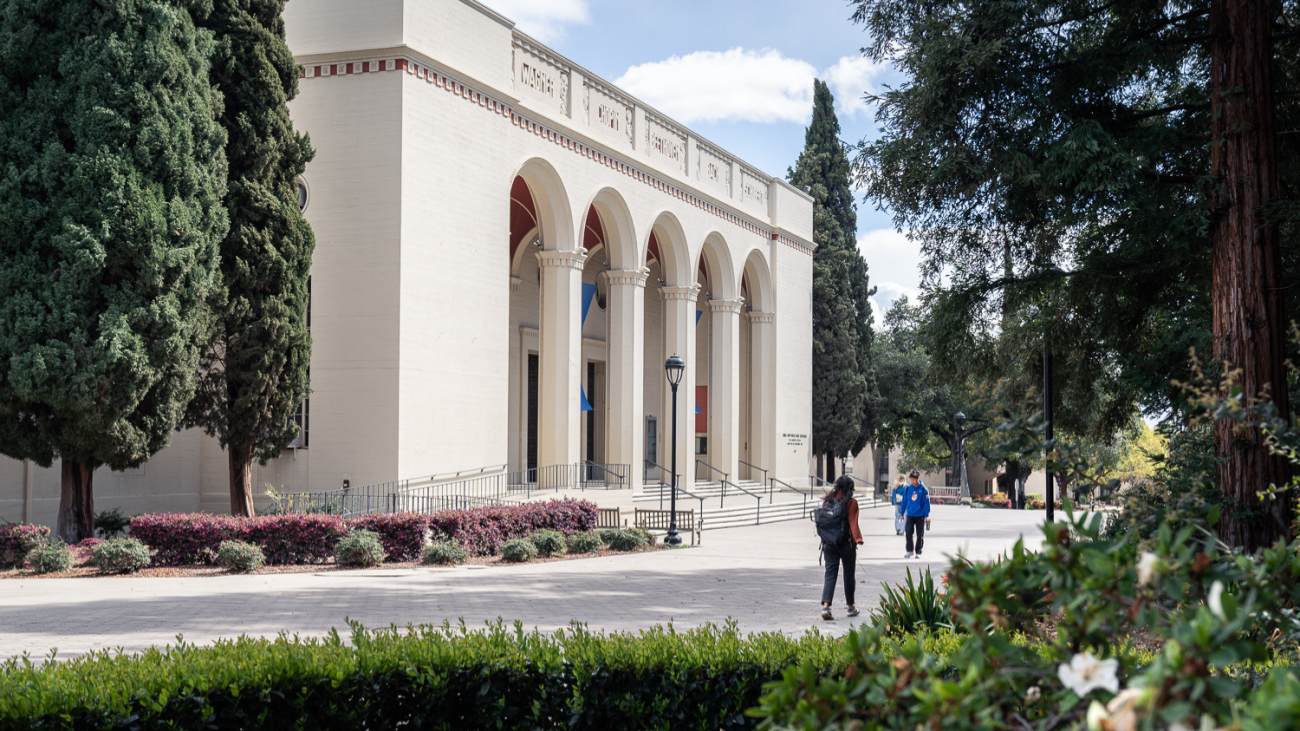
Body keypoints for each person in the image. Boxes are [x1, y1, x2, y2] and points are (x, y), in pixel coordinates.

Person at [815, 475, 863, 621]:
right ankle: (850, 607)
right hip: (845, 544)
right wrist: (858, 539)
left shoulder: (827, 502)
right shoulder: (851, 503)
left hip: (828, 543)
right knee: (848, 575)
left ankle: (826, 606)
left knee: (830, 574)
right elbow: (853, 523)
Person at [901, 470, 931, 558]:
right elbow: (904, 501)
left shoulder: (923, 489)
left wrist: (927, 515)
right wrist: (902, 513)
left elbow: (926, 503)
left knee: (920, 534)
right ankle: (909, 550)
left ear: (918, 478)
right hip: (910, 514)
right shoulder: (907, 489)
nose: (913, 482)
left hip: (920, 515)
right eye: (911, 479)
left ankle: (918, 551)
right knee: (908, 533)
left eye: (914, 479)